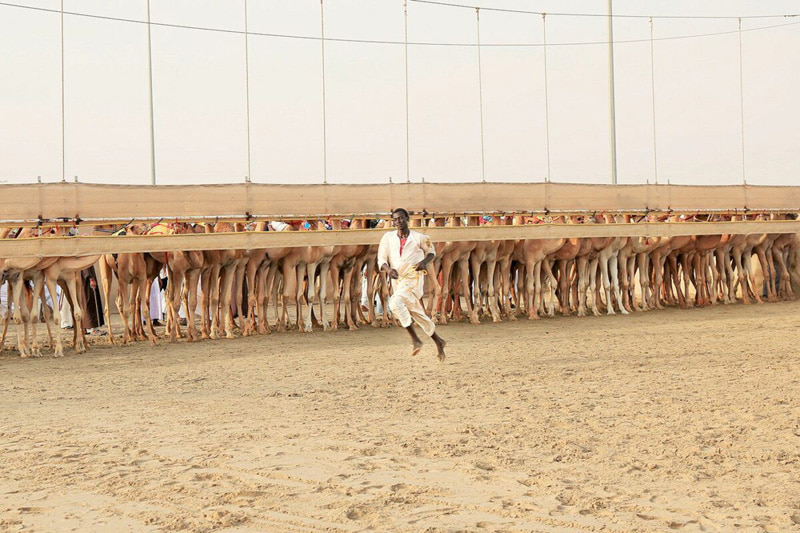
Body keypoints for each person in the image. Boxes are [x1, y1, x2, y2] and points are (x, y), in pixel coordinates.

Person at [378, 207, 446, 361]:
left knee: (395, 302)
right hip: (397, 279)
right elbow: (381, 259)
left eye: (401, 218)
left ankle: (415, 340)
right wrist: (388, 270)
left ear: (407, 219)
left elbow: (431, 252)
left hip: (413, 278)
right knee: (416, 311)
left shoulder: (419, 237)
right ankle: (439, 341)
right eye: (395, 219)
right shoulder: (387, 237)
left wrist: (424, 262)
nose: (398, 222)